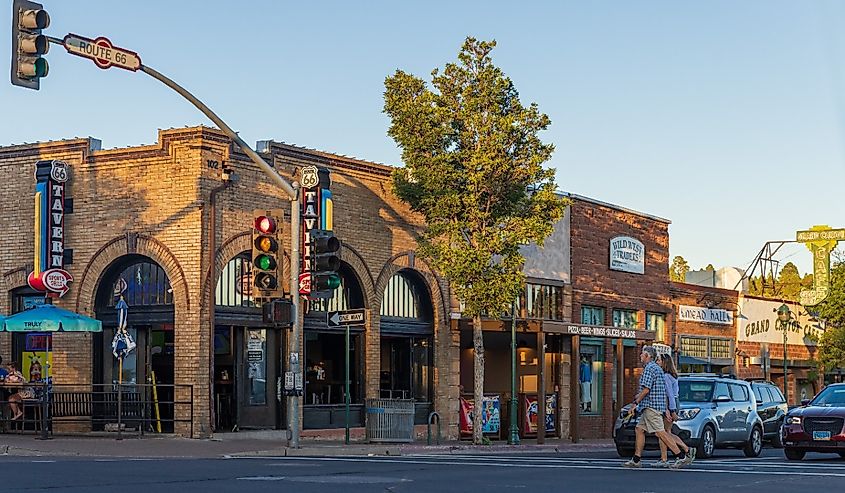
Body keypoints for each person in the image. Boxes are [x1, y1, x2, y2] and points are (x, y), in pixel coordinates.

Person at [623, 346, 691, 469]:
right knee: (639, 429)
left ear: (647, 356)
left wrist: (635, 403)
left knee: (661, 433)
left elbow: (646, 389)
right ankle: (636, 459)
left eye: (642, 354)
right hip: (653, 406)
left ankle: (681, 456)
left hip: (651, 406)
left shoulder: (649, 369)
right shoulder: (657, 369)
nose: (640, 356)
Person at [654, 353, 694, 467]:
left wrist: (671, 410)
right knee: (664, 432)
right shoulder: (671, 375)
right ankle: (664, 458)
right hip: (671, 403)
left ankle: (686, 449)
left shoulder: (666, 376)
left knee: (663, 432)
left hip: (670, 403)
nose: (657, 362)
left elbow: (670, 395)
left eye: (659, 361)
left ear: (664, 363)